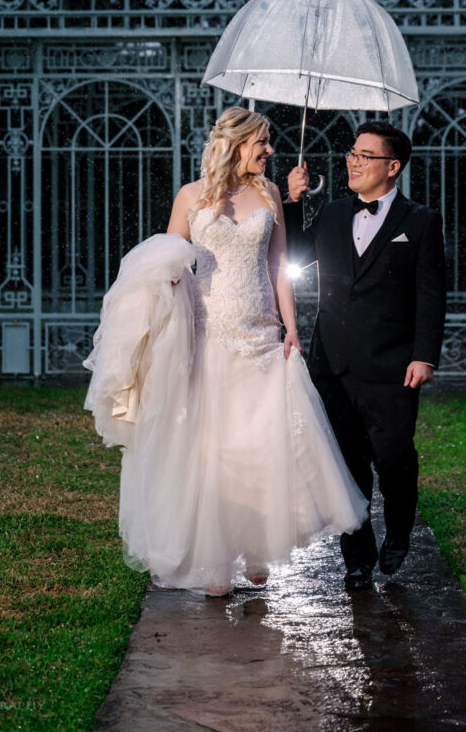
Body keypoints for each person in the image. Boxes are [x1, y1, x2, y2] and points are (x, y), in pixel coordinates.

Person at [84, 106, 368, 597]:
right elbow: (166, 260)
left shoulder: (270, 193)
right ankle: (213, 558)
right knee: (214, 446)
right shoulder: (192, 197)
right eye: (263, 142)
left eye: (271, 141)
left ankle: (257, 548)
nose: (271, 150)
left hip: (261, 332)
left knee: (261, 442)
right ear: (237, 142)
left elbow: (281, 265)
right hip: (208, 333)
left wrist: (291, 328)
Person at [284, 120, 447, 591]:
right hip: (332, 363)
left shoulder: (419, 222)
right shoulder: (334, 213)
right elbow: (293, 250)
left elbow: (430, 294)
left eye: (365, 155)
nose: (353, 161)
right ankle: (356, 557)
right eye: (352, 153)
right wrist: (293, 202)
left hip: (393, 366)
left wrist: (425, 356)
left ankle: (398, 533)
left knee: (394, 459)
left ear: (392, 167)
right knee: (346, 466)